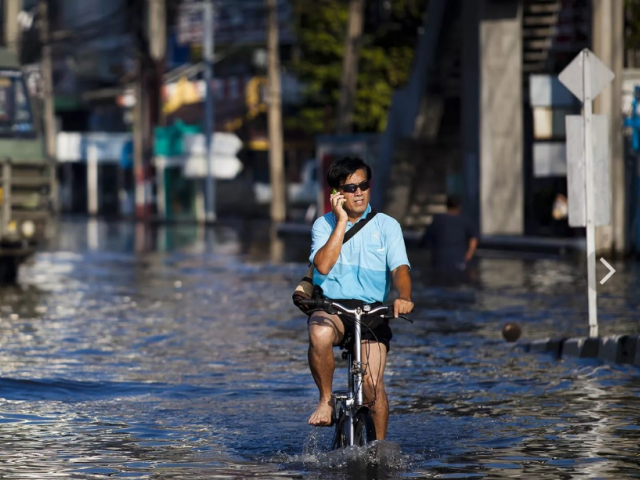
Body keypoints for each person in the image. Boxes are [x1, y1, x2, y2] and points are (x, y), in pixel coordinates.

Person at [295, 156, 413, 440]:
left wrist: (404, 296)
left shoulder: (387, 226)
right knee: (319, 333)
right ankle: (325, 401)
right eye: (350, 187)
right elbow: (322, 266)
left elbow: (400, 269)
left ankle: (380, 446)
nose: (359, 192)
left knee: (373, 386)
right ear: (337, 194)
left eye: (364, 185)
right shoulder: (323, 225)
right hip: (333, 307)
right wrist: (342, 223)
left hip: (372, 312)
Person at [419, 194, 478, 271]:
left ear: (446, 205)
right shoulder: (465, 220)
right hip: (458, 259)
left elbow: (425, 239)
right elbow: (474, 237)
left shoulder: (438, 220)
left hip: (439, 259)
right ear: (459, 206)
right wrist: (469, 254)